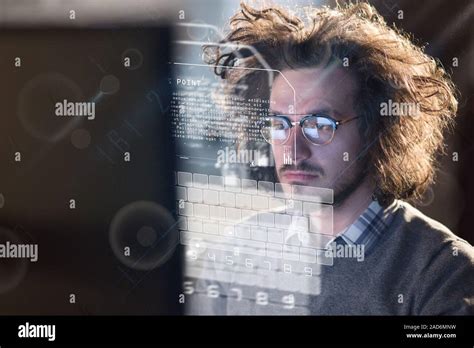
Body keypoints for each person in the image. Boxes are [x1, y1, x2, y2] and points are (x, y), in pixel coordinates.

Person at [192, 1, 474, 315]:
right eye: (279, 124)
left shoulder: (444, 275)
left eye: (318, 125)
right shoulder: (233, 253)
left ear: (376, 130)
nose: (294, 149)